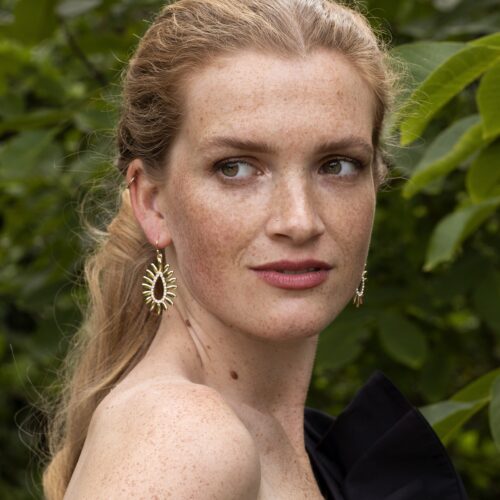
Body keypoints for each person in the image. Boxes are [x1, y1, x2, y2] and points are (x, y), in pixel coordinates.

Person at [41, 0, 469, 499]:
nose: (300, 221)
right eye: (236, 168)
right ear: (153, 204)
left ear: (376, 181)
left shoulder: (285, 440)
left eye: (337, 165)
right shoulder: (181, 438)